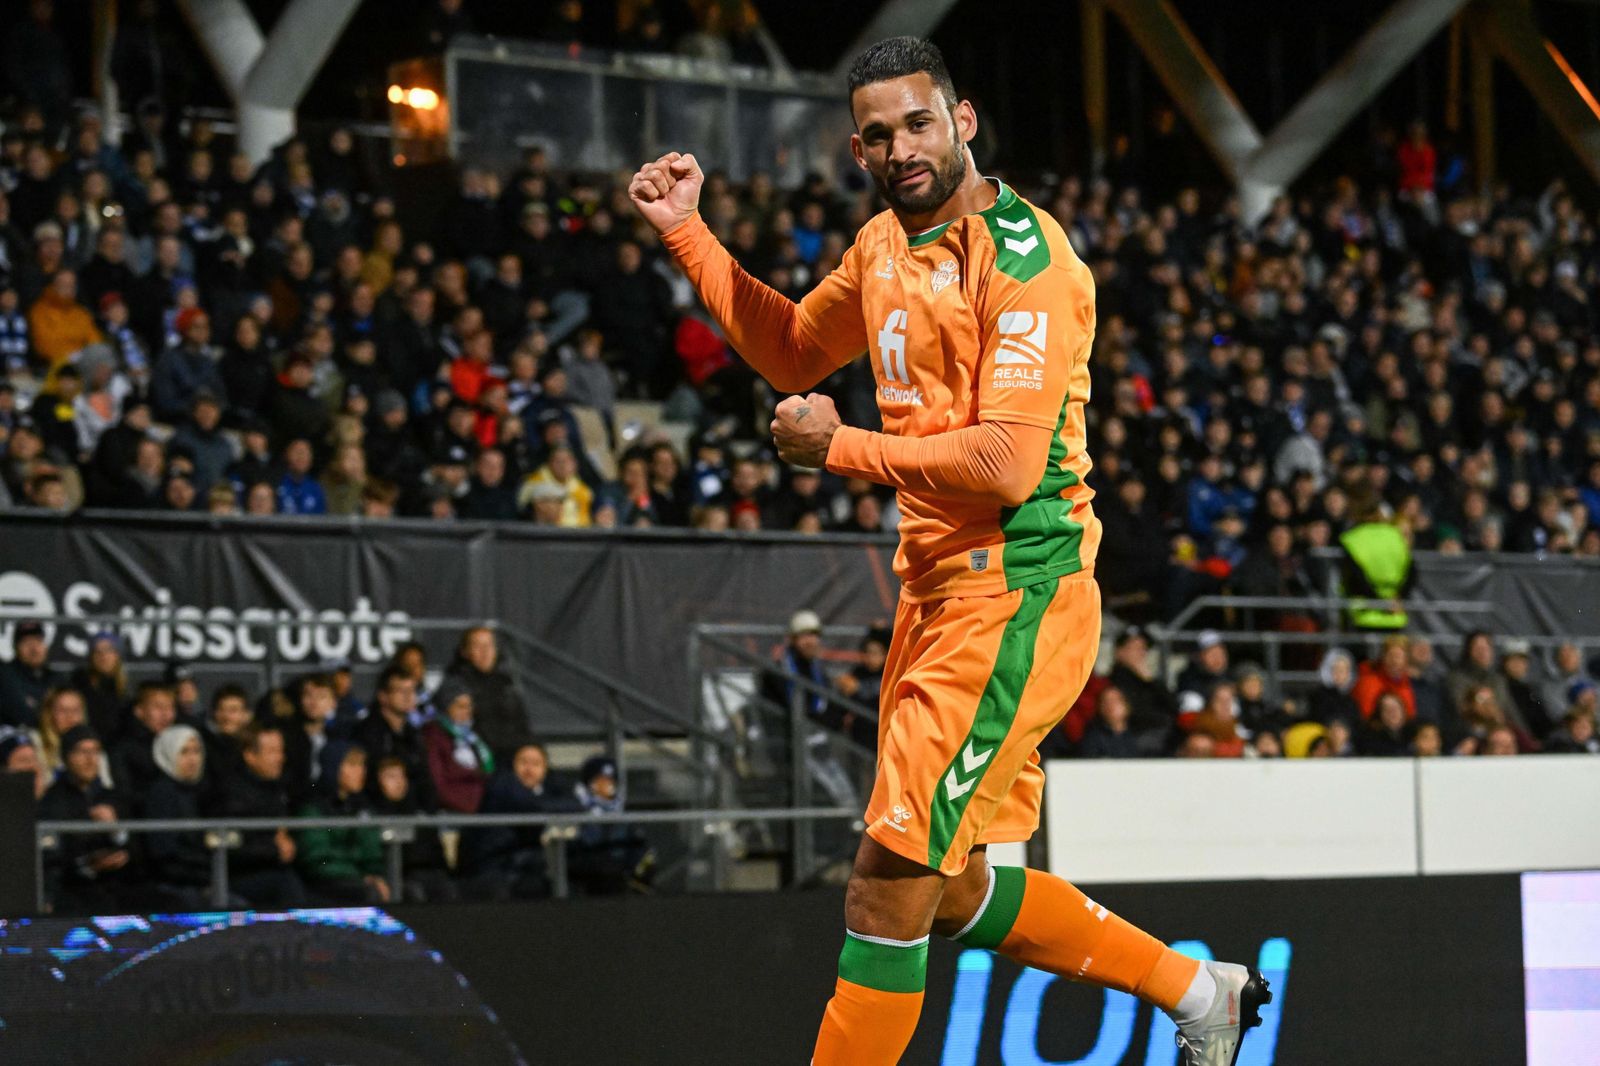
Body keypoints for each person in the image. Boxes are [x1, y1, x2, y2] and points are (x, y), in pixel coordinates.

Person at [629, 37, 1267, 1063]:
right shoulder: (883, 244)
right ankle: (1199, 993)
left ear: (961, 119)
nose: (900, 146)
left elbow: (1011, 463)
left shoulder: (1028, 259)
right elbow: (795, 347)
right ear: (857, 149)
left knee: (886, 878)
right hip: (935, 596)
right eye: (877, 134)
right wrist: (687, 234)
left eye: (917, 122)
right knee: (948, 884)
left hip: (1017, 594)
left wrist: (836, 446)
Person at [207, 724, 307, 908]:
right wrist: (275, 850)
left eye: (281, 751)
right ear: (250, 756)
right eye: (272, 752)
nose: (280, 758)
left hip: (273, 869)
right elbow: (233, 846)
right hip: (239, 876)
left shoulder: (277, 789)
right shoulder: (231, 793)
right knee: (286, 884)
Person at [38, 726, 135, 913]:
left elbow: (137, 850)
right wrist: (88, 864)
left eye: (95, 752)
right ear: (67, 757)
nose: (90, 760)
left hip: (116, 884)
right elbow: (51, 861)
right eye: (83, 752)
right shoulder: (53, 802)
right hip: (73, 890)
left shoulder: (111, 797)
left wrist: (116, 831)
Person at [143, 724, 240, 909]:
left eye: (197, 751)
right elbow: (165, 853)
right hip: (174, 886)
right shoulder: (161, 793)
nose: (193, 759)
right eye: (184, 752)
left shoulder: (199, 790)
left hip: (199, 880)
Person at [461, 741, 572, 900]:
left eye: (536, 763)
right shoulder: (502, 783)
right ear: (512, 765)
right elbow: (529, 806)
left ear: (545, 769)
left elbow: (576, 804)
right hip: (491, 866)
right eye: (523, 762)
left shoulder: (550, 785)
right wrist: (547, 804)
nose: (529, 769)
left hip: (522, 865)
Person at [296, 741, 390, 904]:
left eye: (362, 765)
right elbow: (317, 860)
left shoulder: (363, 808)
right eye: (352, 765)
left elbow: (372, 853)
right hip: (324, 883)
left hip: (358, 879)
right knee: (368, 894)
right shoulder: (314, 808)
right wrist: (361, 876)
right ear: (334, 767)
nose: (360, 771)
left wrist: (374, 874)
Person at [370, 755, 456, 902]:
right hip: (397, 875)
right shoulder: (373, 814)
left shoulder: (418, 812)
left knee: (447, 889)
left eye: (401, 776)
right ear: (378, 781)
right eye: (391, 777)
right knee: (414, 892)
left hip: (428, 871)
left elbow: (434, 851)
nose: (399, 782)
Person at [568, 754, 654, 895]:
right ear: (589, 783)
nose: (607, 786)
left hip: (618, 874)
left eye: (610, 781)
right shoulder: (575, 809)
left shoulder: (621, 813)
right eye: (600, 781)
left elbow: (635, 844)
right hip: (588, 876)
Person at [353, 664, 435, 808]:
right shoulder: (367, 733)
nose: (408, 696)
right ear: (383, 696)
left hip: (411, 811)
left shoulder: (414, 732)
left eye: (411, 690)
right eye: (401, 691)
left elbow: (423, 776)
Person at [444, 626, 528, 758]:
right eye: (478, 646)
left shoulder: (507, 683)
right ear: (465, 652)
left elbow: (523, 727)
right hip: (477, 761)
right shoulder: (453, 687)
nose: (485, 652)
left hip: (513, 759)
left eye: (489, 645)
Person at [421, 677, 494, 813]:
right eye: (460, 706)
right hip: (457, 806)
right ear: (446, 706)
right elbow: (439, 783)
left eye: (469, 706)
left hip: (480, 801)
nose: (467, 711)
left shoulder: (473, 735)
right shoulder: (434, 735)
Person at [109, 681, 176, 804]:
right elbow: (125, 794)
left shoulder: (181, 744)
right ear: (139, 711)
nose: (166, 715)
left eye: (170, 707)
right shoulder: (123, 749)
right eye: (158, 707)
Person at [0, 620, 56, 728]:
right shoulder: (5, 675)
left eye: (38, 641)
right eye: (26, 642)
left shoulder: (57, 678)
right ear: (16, 648)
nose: (34, 649)